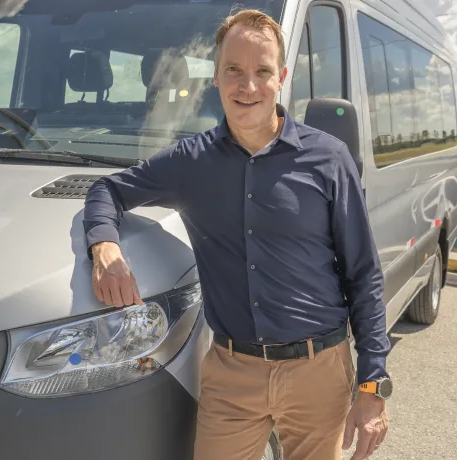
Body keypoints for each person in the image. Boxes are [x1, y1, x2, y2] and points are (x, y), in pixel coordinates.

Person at [83, 9, 391, 460]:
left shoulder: (329, 159)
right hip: (231, 377)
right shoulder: (191, 162)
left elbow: (364, 275)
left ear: (281, 77)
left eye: (262, 71)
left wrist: (372, 384)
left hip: (319, 373)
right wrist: (105, 247)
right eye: (233, 70)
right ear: (216, 78)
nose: (248, 86)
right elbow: (106, 190)